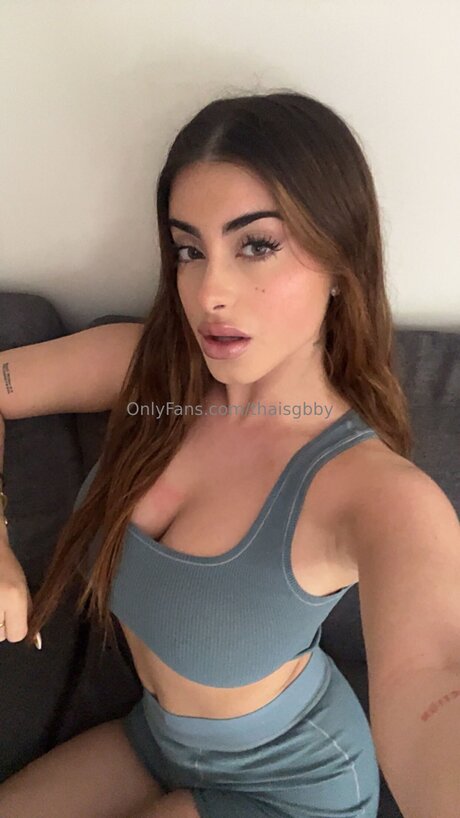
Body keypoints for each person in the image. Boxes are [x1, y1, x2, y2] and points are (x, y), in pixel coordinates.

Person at [0, 90, 459, 818]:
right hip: (156, 739)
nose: (209, 291)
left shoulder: (376, 493)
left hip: (295, 785)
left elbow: (433, 674)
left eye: (256, 245)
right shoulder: (149, 376)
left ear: (341, 259)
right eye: (190, 250)